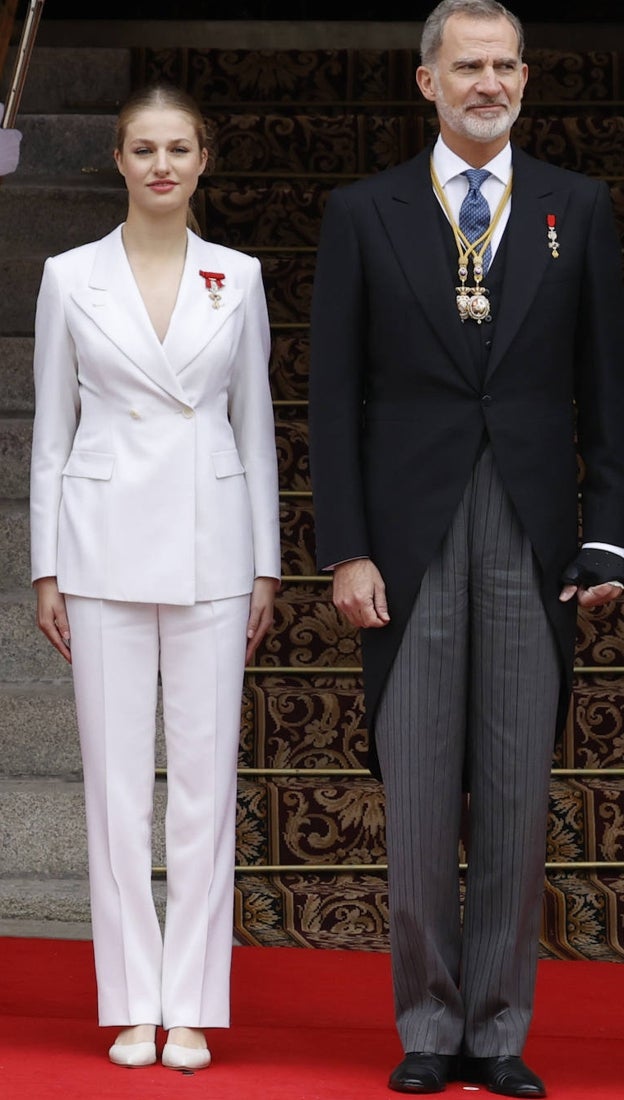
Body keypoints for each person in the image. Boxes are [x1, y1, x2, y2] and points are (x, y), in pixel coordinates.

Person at [308, 1, 624, 1095]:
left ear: (526, 78)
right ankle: (428, 1020)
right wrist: (344, 545)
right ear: (426, 82)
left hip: (534, 534)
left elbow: (609, 389)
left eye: (505, 66)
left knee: (518, 792)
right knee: (422, 785)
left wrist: (609, 539)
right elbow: (331, 398)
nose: (489, 82)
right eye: (468, 66)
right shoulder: (363, 212)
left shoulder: (574, 209)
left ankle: (499, 1029)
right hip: (408, 536)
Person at [30, 82, 280, 1071]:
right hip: (99, 547)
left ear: (203, 158)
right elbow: (53, 427)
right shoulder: (67, 275)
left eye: (179, 148)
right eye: (144, 149)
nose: (162, 166)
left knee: (204, 790)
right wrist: (45, 563)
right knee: (118, 789)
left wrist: (265, 562)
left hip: (213, 543)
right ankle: (133, 999)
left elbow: (253, 427)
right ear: (119, 160)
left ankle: (192, 1004)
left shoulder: (242, 276)